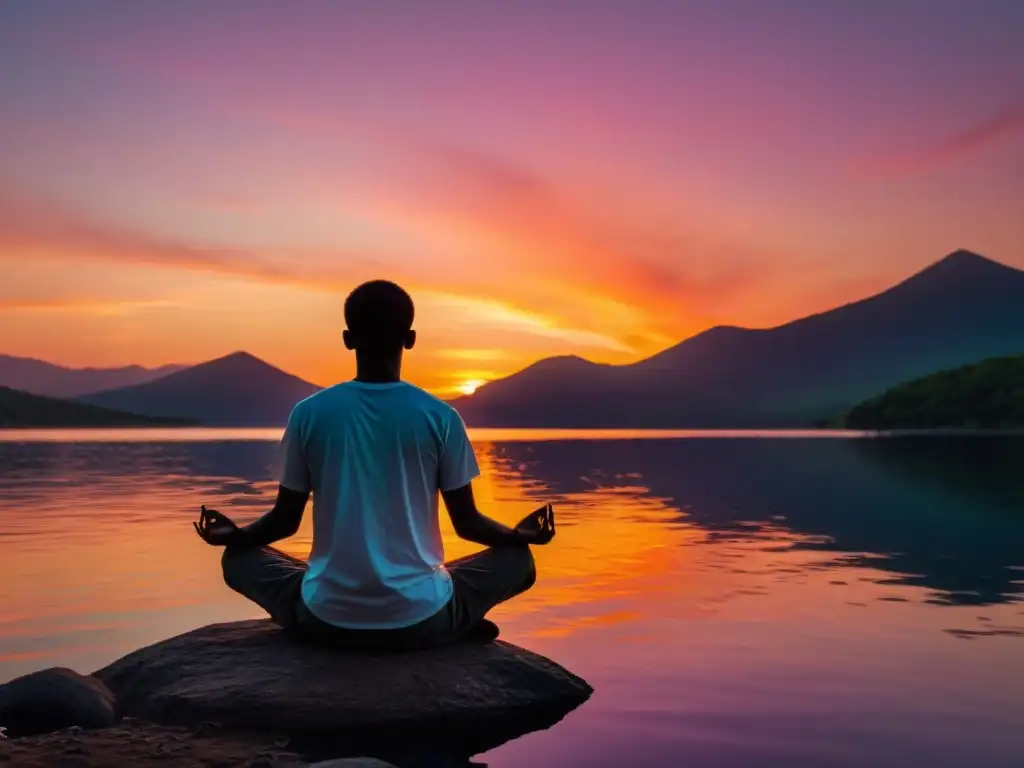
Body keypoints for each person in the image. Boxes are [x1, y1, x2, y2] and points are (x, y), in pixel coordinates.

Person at [193, 279, 555, 651]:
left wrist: (235, 538)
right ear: (410, 338)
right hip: (421, 618)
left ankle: (316, 612)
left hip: (325, 620)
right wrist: (517, 537)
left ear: (348, 339)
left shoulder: (309, 414)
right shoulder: (441, 417)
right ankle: (450, 622)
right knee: (518, 561)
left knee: (239, 559)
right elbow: (467, 524)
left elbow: (285, 521)